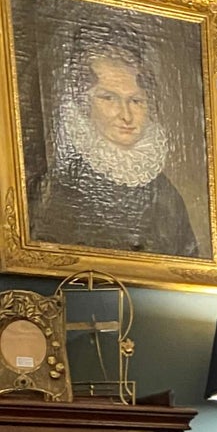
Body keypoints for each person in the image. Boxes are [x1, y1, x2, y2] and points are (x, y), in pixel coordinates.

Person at [30, 23, 199, 258]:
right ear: (83, 102)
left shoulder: (167, 196)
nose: (126, 115)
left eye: (136, 101)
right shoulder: (55, 187)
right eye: (109, 98)